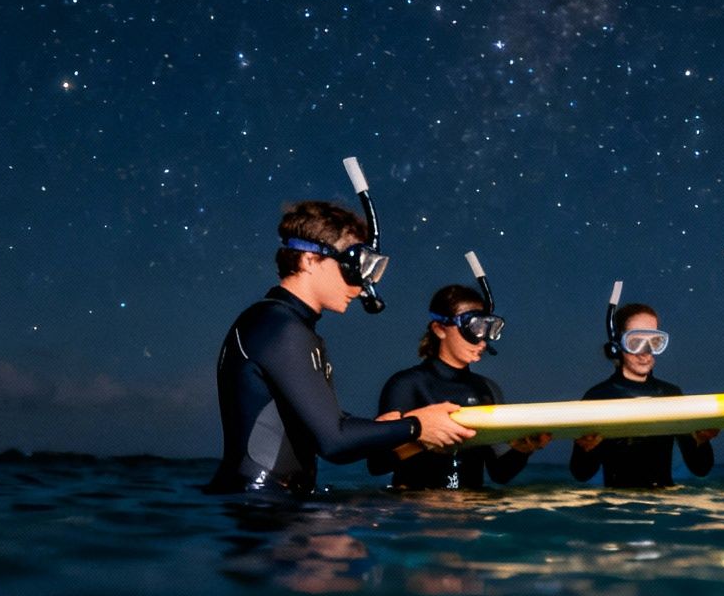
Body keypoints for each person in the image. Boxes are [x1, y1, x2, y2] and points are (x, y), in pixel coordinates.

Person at [206, 200, 472, 495]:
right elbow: (334, 441)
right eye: (353, 267)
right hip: (260, 510)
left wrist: (383, 429)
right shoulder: (281, 328)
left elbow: (324, 423)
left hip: (272, 503)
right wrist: (417, 426)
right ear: (308, 259)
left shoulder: (282, 324)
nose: (361, 288)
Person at [369, 284, 550, 489]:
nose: (481, 340)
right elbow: (377, 464)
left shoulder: (486, 389)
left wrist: (524, 449)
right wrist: (423, 440)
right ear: (440, 329)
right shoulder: (407, 384)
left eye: (486, 329)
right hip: (418, 511)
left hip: (471, 512)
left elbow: (499, 473)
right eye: (473, 328)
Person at [569, 302, 717, 488]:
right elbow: (581, 474)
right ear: (617, 345)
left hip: (664, 505)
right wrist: (586, 450)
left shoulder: (671, 395)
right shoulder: (598, 396)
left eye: (654, 342)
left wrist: (702, 443)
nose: (645, 353)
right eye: (635, 342)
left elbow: (701, 469)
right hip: (617, 507)